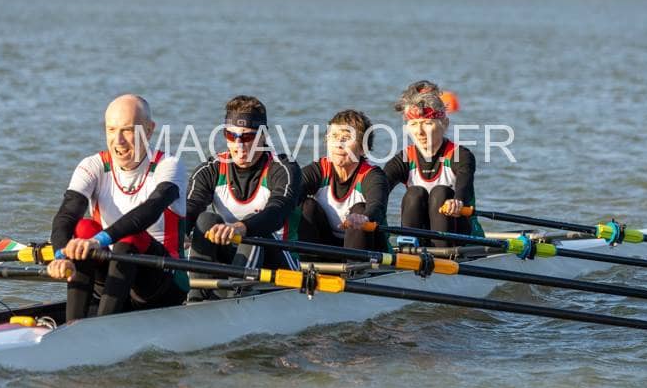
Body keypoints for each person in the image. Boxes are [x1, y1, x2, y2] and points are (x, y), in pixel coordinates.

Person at [47, 94, 189, 321]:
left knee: (129, 239)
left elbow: (149, 211)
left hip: (162, 283)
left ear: (149, 130)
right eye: (111, 130)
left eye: (127, 130)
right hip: (110, 278)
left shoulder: (169, 165)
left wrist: (99, 241)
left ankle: (103, 328)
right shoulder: (92, 166)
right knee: (83, 230)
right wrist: (60, 254)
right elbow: (68, 213)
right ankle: (74, 323)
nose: (118, 141)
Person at [186, 95, 301, 300]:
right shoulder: (210, 170)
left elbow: (277, 211)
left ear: (263, 136)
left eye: (247, 137)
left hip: (278, 264)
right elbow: (190, 209)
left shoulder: (283, 168)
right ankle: (196, 297)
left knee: (255, 231)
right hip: (232, 258)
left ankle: (233, 298)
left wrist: (241, 227)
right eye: (231, 136)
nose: (239, 144)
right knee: (205, 221)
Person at [383, 81, 484, 246]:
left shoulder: (461, 156)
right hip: (419, 239)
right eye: (413, 125)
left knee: (440, 193)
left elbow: (463, 187)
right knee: (414, 194)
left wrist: (457, 200)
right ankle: (409, 247)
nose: (419, 132)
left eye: (427, 124)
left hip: (460, 235)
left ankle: (443, 253)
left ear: (445, 124)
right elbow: (379, 189)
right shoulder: (402, 160)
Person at [298, 110, 389, 254]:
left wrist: (364, 217)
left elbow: (377, 206)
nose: (339, 144)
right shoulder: (318, 170)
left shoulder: (373, 176)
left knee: (360, 209)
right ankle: (307, 260)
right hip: (326, 244)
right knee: (305, 205)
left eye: (346, 138)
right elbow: (291, 192)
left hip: (367, 248)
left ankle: (354, 265)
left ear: (363, 149)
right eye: (334, 136)